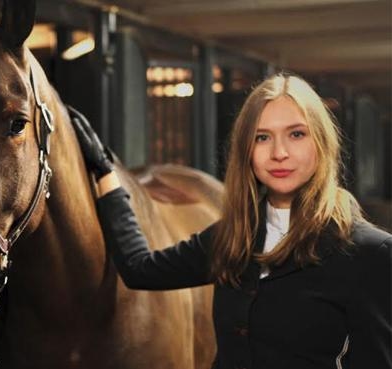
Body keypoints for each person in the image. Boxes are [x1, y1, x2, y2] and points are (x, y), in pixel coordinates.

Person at [70, 73, 391, 369]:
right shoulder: (233, 237)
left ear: (321, 143)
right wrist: (107, 176)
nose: (279, 152)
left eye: (296, 134)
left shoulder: (369, 252)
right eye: (262, 137)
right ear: (246, 150)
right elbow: (140, 269)